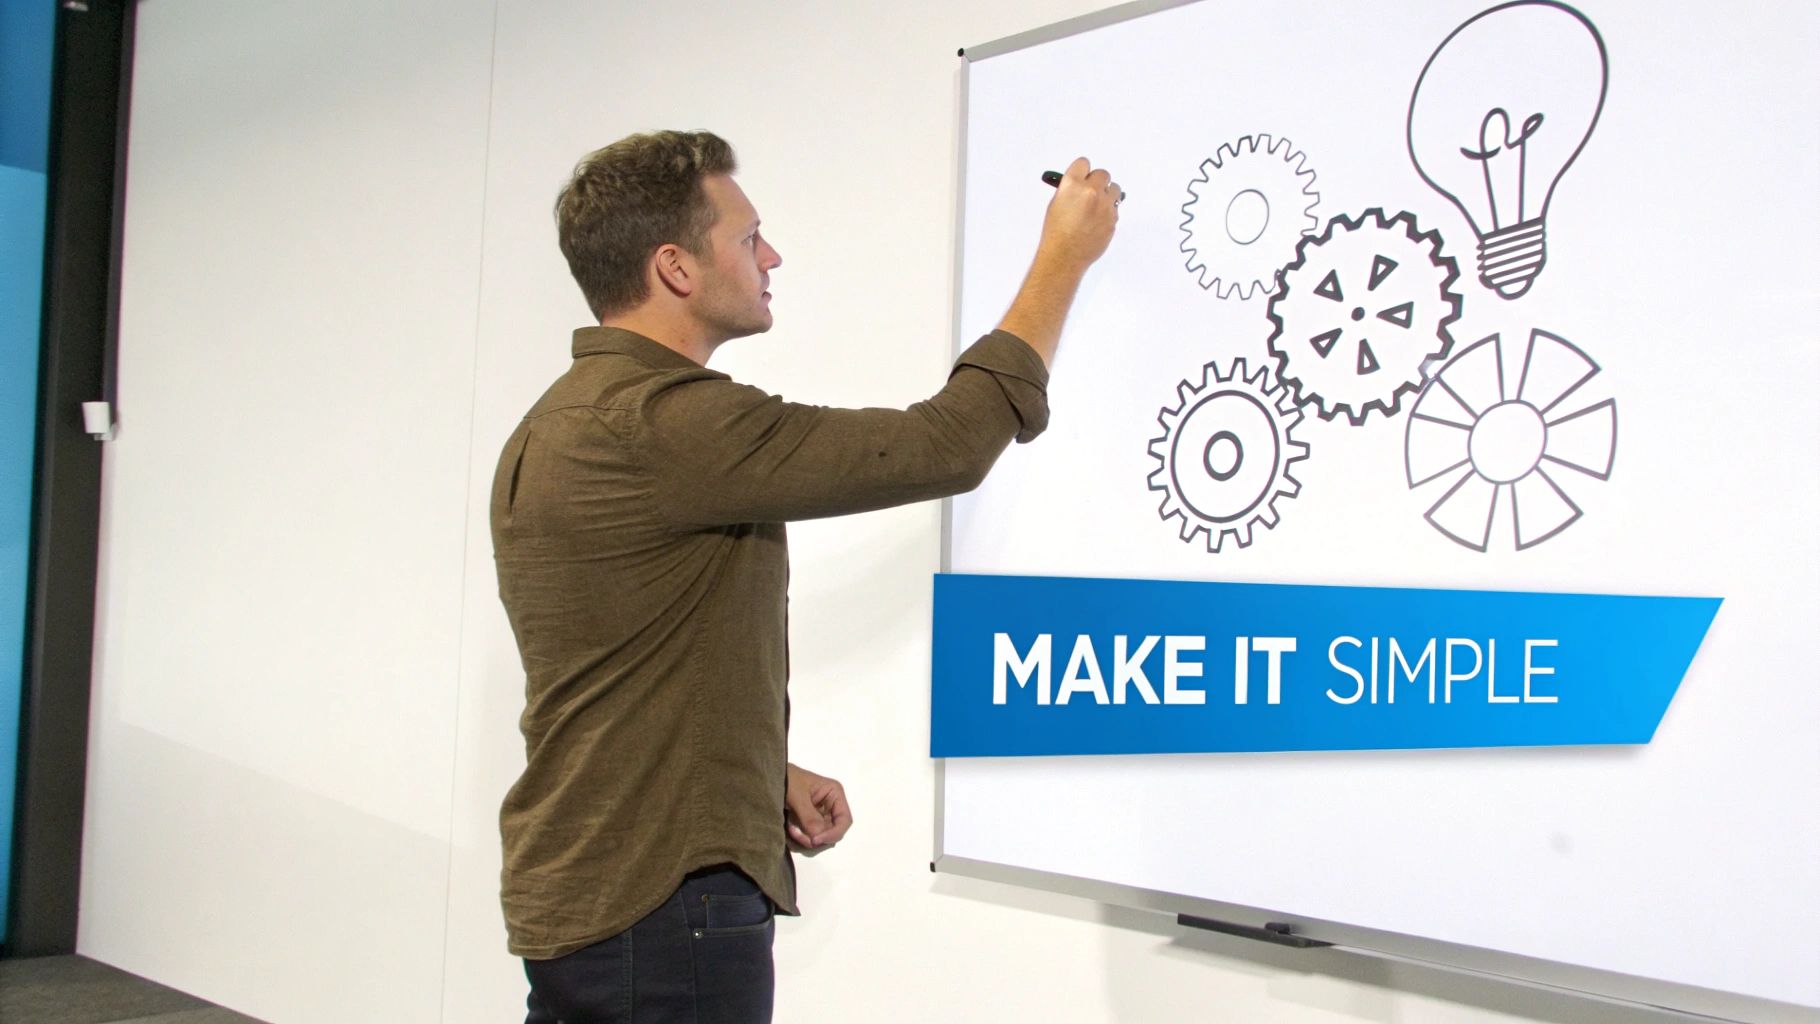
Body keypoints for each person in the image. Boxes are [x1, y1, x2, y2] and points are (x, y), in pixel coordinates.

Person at [490, 130, 1119, 1023]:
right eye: (748, 238)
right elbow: (947, 443)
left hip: (593, 897)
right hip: (662, 915)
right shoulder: (665, 427)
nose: (771, 255)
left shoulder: (557, 422)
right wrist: (1063, 257)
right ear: (675, 267)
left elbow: (612, 664)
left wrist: (754, 769)